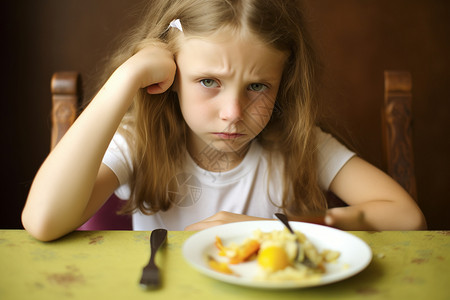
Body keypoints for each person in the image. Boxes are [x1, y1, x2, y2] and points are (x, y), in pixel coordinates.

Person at [22, 0, 426, 241]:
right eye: (208, 81)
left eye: (257, 87)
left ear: (282, 83)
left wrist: (265, 229)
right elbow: (42, 221)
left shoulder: (299, 143)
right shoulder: (140, 141)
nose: (233, 113)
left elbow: (407, 218)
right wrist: (126, 78)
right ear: (169, 77)